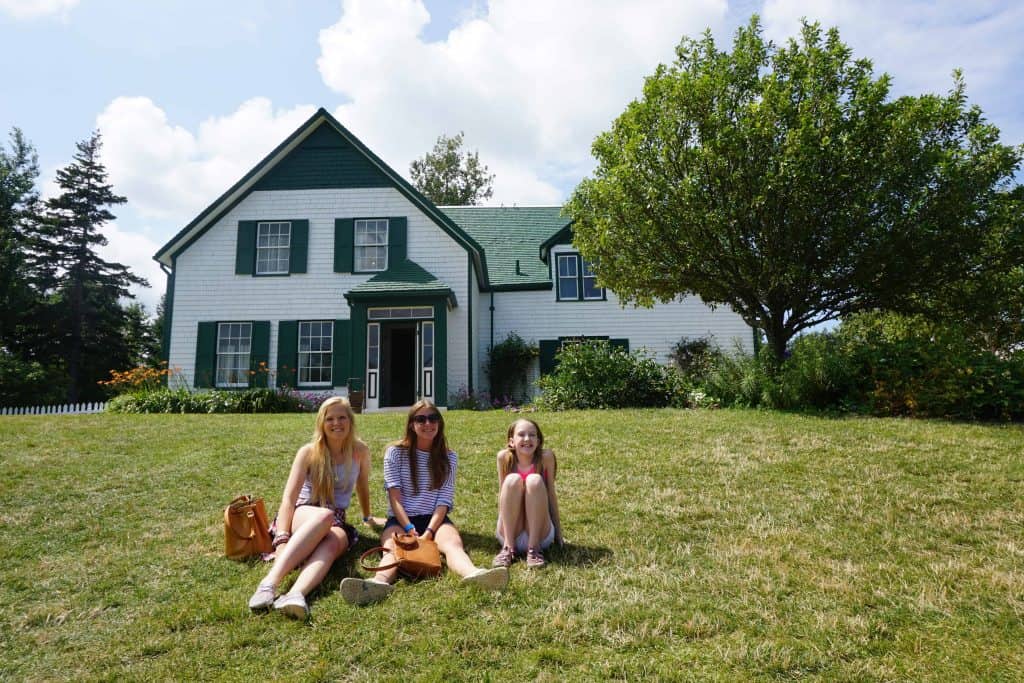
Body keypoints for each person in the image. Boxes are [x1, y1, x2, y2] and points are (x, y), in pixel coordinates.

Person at [340, 399, 508, 605]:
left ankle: (475, 574)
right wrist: (409, 527)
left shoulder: (449, 457)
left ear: (440, 422)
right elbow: (395, 498)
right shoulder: (395, 453)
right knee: (393, 548)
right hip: (401, 520)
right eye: (421, 419)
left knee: (453, 545)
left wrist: (429, 532)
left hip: (434, 518)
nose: (428, 424)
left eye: (433, 418)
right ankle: (377, 584)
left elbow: (444, 500)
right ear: (412, 424)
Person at [248, 396, 374, 619]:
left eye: (342, 417)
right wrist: (282, 539)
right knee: (325, 516)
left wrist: (368, 518)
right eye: (330, 419)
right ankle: (269, 584)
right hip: (303, 512)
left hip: (336, 517)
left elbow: (362, 487)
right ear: (321, 423)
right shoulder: (308, 452)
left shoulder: (360, 451)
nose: (337, 423)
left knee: (335, 541)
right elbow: (289, 499)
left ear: (351, 421)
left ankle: (296, 593)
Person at [492, 417, 563, 569]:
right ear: (511, 441)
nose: (527, 439)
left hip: (539, 533)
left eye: (532, 435)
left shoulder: (546, 458)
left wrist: (558, 532)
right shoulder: (504, 458)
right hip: (511, 533)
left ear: (538, 440)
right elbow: (502, 495)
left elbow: (551, 494)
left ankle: (534, 550)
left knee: (534, 480)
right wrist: (502, 529)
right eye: (521, 434)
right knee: (511, 480)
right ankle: (508, 549)